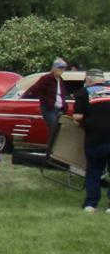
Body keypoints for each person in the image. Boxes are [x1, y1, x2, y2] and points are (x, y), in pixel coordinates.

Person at [72, 70, 110, 212]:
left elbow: (78, 116)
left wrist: (78, 123)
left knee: (94, 171)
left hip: (94, 138)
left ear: (88, 80)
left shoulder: (83, 92)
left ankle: (91, 204)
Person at [25, 58, 69, 148]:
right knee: (53, 127)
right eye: (59, 67)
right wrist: (45, 99)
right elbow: (34, 90)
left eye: (63, 68)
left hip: (59, 108)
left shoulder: (60, 80)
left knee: (57, 130)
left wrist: (64, 105)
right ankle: (50, 150)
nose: (61, 70)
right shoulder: (47, 78)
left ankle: (52, 149)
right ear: (54, 67)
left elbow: (62, 94)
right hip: (49, 108)